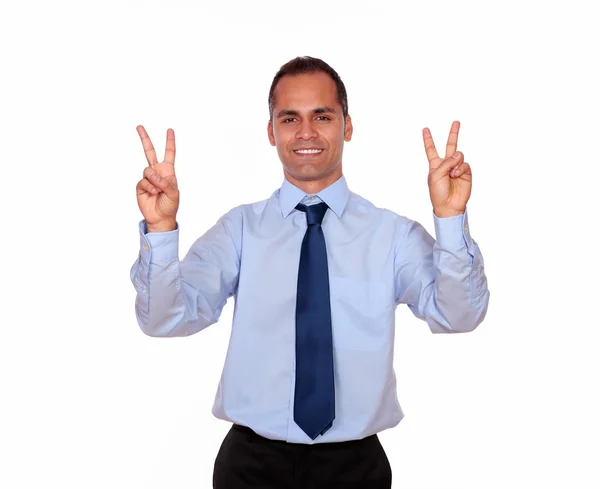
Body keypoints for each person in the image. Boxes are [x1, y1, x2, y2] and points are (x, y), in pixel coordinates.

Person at [130, 56, 490, 489]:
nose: (306, 132)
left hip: (355, 467)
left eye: (322, 116)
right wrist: (161, 228)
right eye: (289, 118)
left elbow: (459, 316)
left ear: (347, 126)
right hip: (250, 466)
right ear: (271, 132)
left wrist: (449, 219)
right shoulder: (239, 230)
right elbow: (164, 319)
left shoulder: (391, 234)